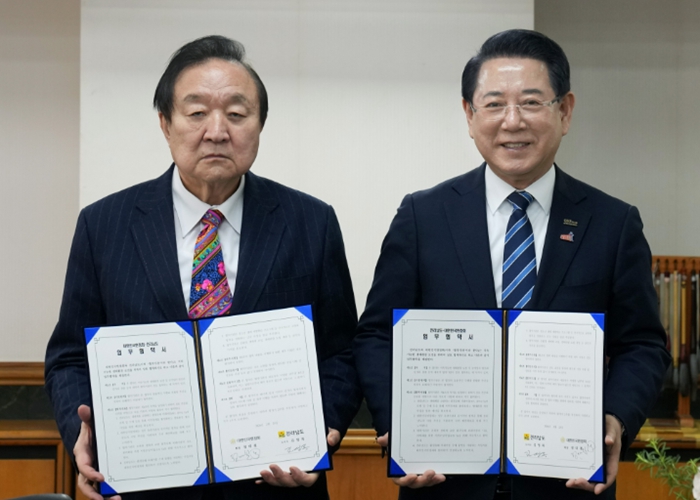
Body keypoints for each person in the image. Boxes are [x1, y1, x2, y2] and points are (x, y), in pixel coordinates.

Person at [353, 29, 670, 500]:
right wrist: (396, 422)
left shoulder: (613, 222)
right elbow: (377, 335)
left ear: (565, 111)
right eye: (495, 104)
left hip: (568, 485)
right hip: (444, 483)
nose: (513, 121)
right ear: (469, 114)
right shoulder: (422, 216)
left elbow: (642, 344)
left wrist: (615, 418)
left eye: (532, 102)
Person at [45, 35, 362, 500]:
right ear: (165, 123)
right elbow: (70, 357)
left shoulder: (311, 222)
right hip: (147, 487)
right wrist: (82, 438)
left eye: (236, 114)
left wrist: (324, 433)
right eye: (196, 113)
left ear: (259, 125)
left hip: (277, 482)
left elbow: (341, 352)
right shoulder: (104, 225)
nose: (217, 131)